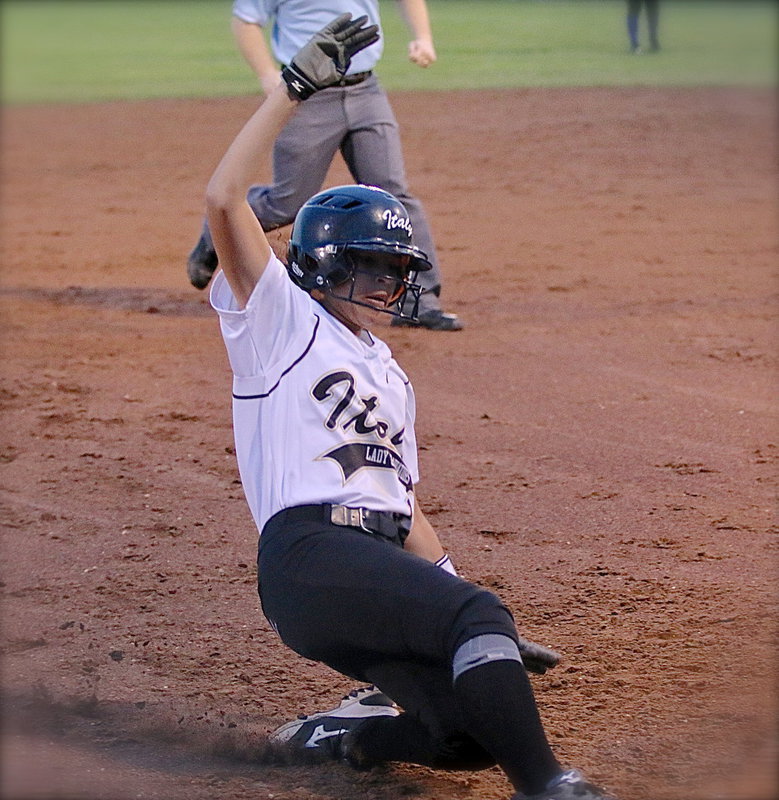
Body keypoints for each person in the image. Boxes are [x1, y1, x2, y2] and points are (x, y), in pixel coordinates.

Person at [205, 14, 617, 800]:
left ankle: (343, 735)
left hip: (370, 561)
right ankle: (550, 787)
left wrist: (449, 588)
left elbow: (402, 501)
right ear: (323, 263)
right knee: (474, 618)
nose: (389, 287)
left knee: (459, 736)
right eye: (371, 268)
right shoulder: (278, 321)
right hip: (307, 555)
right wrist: (292, 89)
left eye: (397, 272)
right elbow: (225, 198)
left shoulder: (387, 373)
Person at [189, 0, 463, 332]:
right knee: (287, 202)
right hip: (308, 97)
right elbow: (246, 20)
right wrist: (267, 74)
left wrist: (423, 36)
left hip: (366, 91)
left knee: (394, 196)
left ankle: (423, 302)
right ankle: (216, 226)